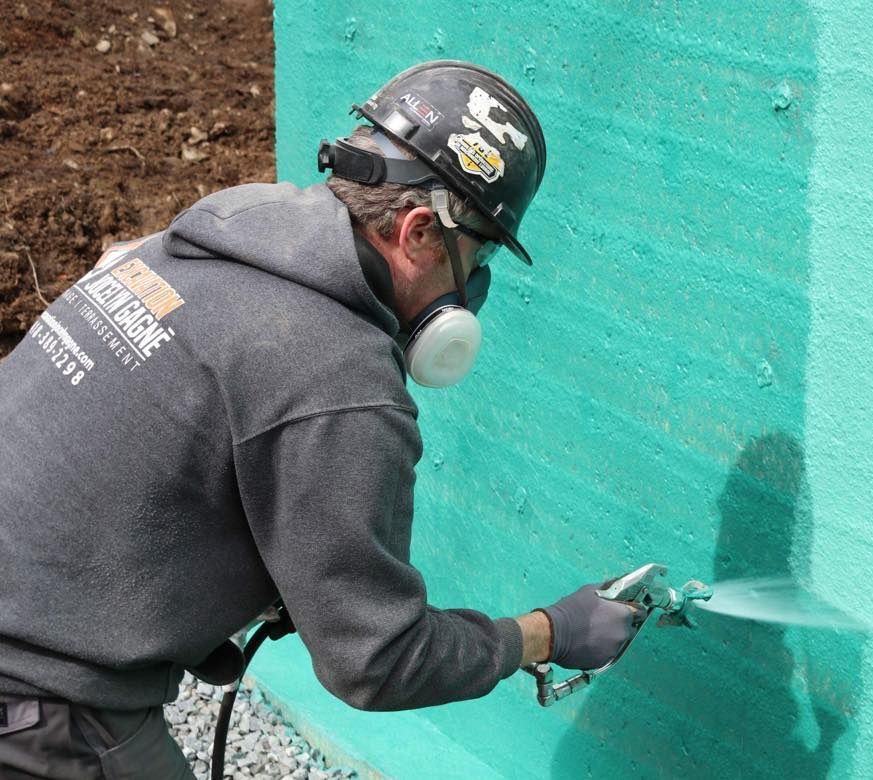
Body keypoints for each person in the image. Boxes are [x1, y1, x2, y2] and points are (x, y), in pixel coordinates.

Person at [0, 60, 641, 778]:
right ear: (421, 231)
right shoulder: (340, 379)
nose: (477, 286)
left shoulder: (220, 233)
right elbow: (379, 660)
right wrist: (547, 633)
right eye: (479, 252)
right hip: (38, 700)